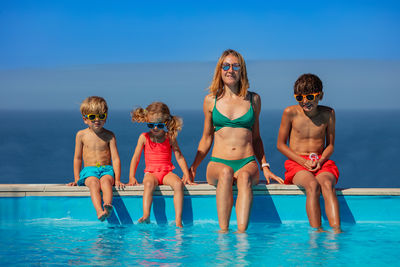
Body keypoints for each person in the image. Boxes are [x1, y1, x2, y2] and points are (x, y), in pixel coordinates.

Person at [190, 49, 284, 233]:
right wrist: (193, 167)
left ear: (242, 70)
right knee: (225, 173)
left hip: (246, 162)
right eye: (226, 66)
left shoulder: (254, 99)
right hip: (218, 163)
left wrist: (265, 166)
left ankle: (242, 236)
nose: (230, 70)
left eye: (235, 66)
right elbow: (207, 137)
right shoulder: (211, 100)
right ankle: (223, 234)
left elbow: (256, 138)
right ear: (220, 70)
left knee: (244, 177)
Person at [276, 73, 341, 233]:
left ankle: (336, 232)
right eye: (299, 98)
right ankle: (317, 231)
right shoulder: (290, 113)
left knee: (326, 184)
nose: (305, 102)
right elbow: (280, 145)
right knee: (312, 186)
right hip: (297, 163)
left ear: (320, 95)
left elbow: (330, 145)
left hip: (321, 161)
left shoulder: (328, 114)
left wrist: (321, 160)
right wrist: (302, 161)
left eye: (310, 97)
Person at [128, 102, 193, 227]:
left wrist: (186, 174)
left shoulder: (170, 137)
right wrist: (132, 176)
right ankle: (146, 215)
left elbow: (178, 156)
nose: (155, 128)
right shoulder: (144, 137)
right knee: (148, 184)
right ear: (147, 121)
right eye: (151, 125)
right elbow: (135, 158)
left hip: (166, 172)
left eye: (159, 125)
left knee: (178, 184)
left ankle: (178, 219)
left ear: (166, 123)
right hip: (151, 173)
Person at [67, 96, 122, 221]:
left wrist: (117, 179)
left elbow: (115, 159)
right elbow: (78, 158)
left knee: (106, 182)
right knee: (93, 183)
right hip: (89, 171)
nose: (97, 120)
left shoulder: (109, 135)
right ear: (85, 119)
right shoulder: (81, 135)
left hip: (106, 169)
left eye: (101, 116)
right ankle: (99, 211)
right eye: (92, 117)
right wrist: (77, 178)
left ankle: (107, 205)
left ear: (106, 117)